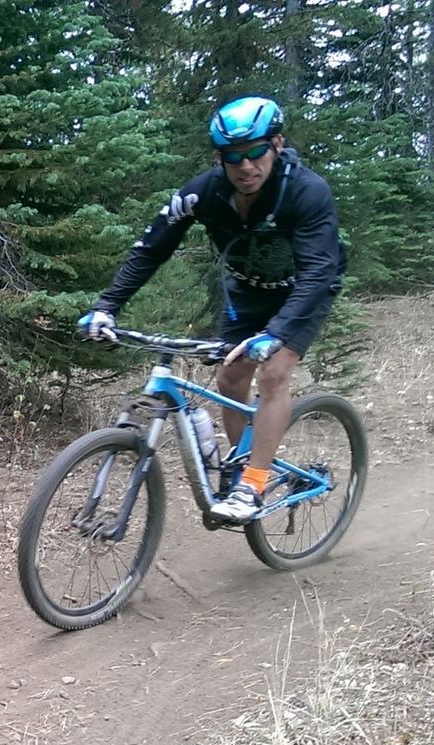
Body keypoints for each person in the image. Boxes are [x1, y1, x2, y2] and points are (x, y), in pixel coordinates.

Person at [77, 96, 346, 523]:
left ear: (277, 144)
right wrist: (107, 306)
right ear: (219, 158)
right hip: (247, 291)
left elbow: (318, 270)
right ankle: (240, 468)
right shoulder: (202, 192)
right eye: (232, 157)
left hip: (304, 291)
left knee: (273, 372)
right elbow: (151, 248)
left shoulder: (305, 191)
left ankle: (253, 484)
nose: (245, 166)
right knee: (230, 376)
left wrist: (276, 333)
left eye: (256, 152)